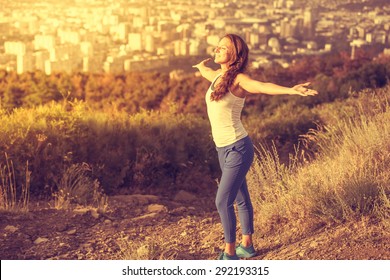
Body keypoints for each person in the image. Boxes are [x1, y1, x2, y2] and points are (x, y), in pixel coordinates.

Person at [192, 34, 318, 260]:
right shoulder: (218, 76)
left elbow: (262, 86)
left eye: (223, 48)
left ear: (235, 55)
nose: (217, 50)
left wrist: (291, 90)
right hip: (223, 149)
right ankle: (247, 245)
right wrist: (201, 67)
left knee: (222, 200)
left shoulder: (239, 79)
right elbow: (207, 73)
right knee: (240, 197)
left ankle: (230, 252)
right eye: (217, 46)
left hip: (238, 148)